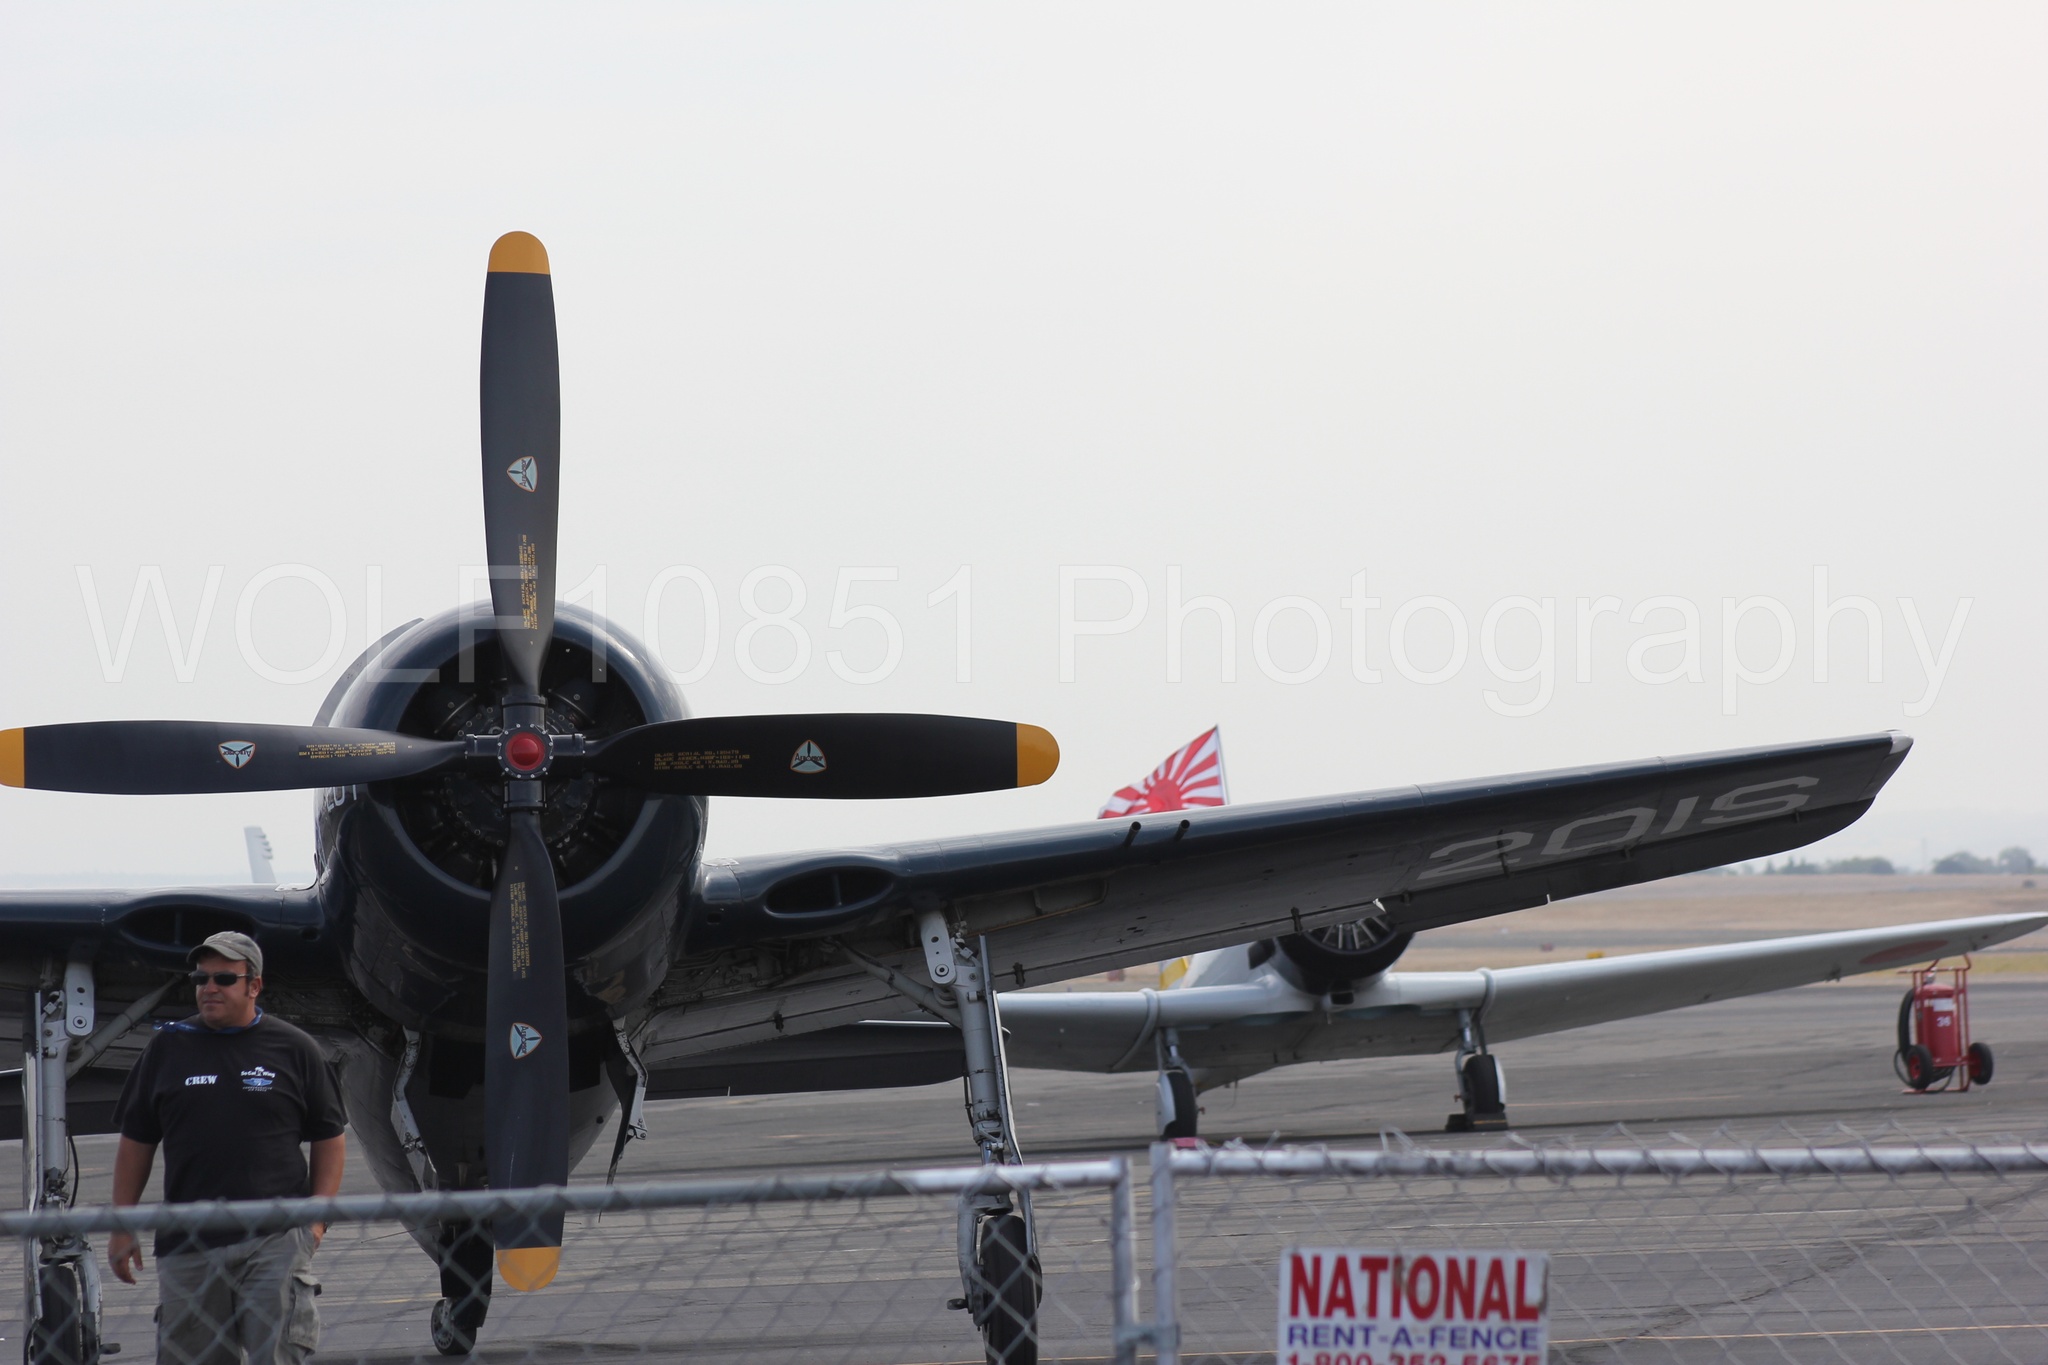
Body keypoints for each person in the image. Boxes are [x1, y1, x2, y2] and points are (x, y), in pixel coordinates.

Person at [108, 931, 347, 1365]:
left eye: (223, 978)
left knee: (277, 1356)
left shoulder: (295, 1048)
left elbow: (329, 1136)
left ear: (254, 986)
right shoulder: (167, 1047)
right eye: (201, 979)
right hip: (188, 1242)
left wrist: (317, 1218)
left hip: (275, 1237)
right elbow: (137, 1139)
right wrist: (123, 1225)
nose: (209, 987)